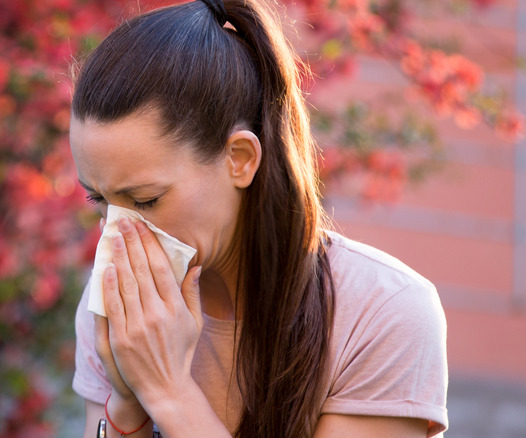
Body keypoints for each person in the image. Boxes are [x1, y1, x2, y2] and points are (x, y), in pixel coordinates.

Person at [69, 0, 448, 436]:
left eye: (146, 199)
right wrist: (128, 401)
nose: (119, 233)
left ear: (240, 159)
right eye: (99, 198)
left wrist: (169, 391)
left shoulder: (381, 313)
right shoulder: (124, 306)